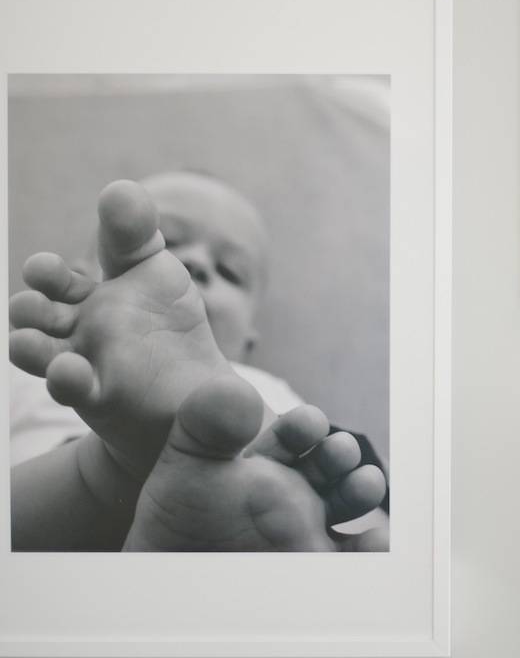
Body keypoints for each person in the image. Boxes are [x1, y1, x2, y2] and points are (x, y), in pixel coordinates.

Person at [9, 173, 389, 552]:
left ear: (247, 342)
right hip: (43, 510)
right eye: (168, 243)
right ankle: (120, 475)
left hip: (256, 487)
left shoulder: (268, 389)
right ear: (77, 279)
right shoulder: (28, 366)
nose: (196, 263)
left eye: (229, 272)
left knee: (335, 471)